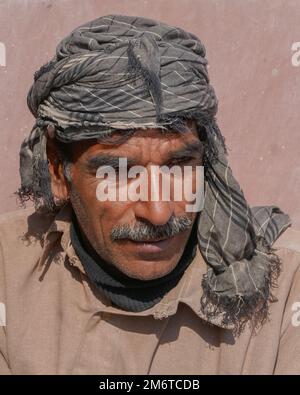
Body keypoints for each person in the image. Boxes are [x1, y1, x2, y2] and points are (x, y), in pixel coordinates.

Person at [0, 15, 299, 375]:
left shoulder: (286, 286)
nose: (159, 212)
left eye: (180, 166)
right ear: (56, 169)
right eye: (122, 174)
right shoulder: (7, 274)